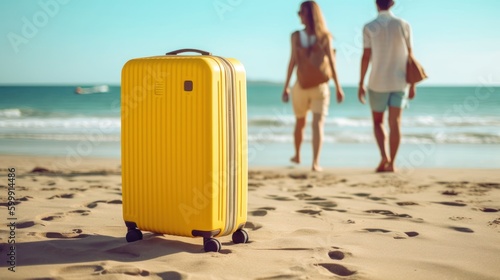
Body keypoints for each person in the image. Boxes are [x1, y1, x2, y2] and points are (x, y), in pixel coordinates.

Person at [282, 0, 344, 172]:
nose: (299, 15)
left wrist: (286, 87)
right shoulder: (325, 37)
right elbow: (332, 63)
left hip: (301, 86)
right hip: (320, 87)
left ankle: (297, 154)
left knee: (300, 122)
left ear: (308, 14)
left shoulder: (295, 36)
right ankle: (315, 163)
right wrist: (338, 87)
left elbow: (292, 62)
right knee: (317, 124)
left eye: (300, 12)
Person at [358, 0, 416, 172]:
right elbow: (410, 55)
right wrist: (412, 84)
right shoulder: (403, 24)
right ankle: (392, 163)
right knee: (395, 122)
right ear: (392, 4)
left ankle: (384, 156)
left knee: (378, 122)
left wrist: (361, 82)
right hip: (400, 81)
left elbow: (366, 56)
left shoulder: (369, 26)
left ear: (376, 4)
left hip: (377, 81)